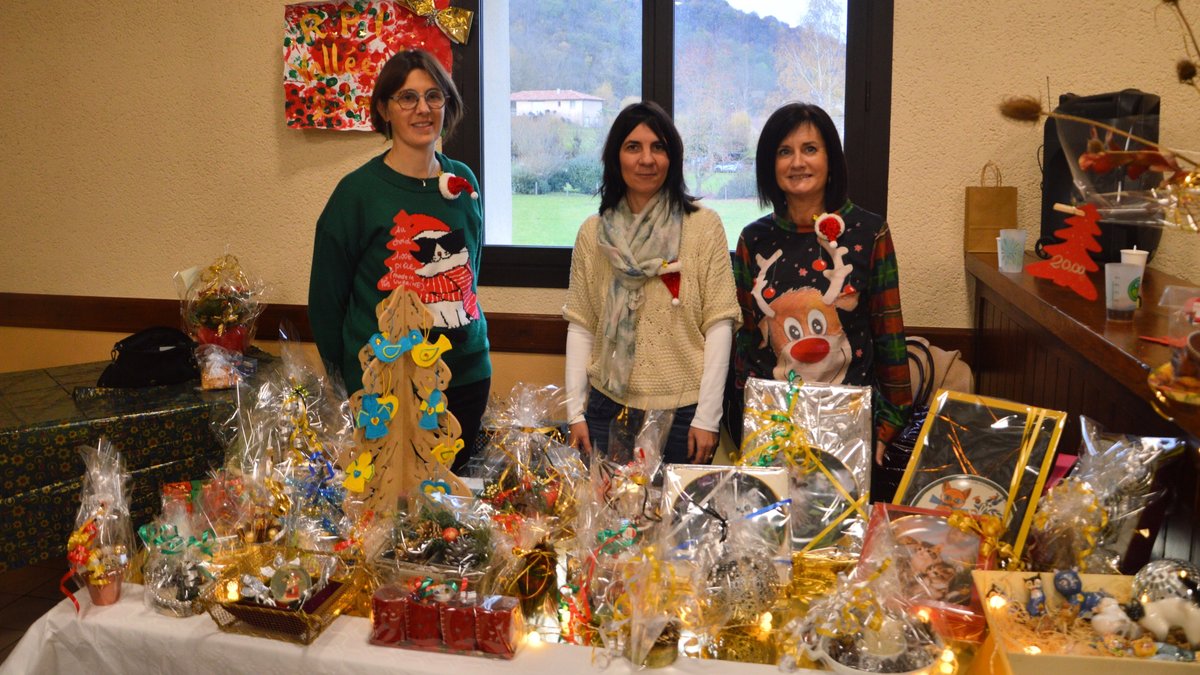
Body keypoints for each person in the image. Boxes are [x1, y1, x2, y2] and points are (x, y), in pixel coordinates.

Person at [308, 49, 490, 474]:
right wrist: (356, 379)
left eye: (434, 96)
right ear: (384, 110)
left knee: (449, 515)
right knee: (388, 509)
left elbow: (471, 271)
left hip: (463, 379)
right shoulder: (356, 194)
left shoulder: (464, 181)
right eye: (407, 98)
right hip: (386, 388)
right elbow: (325, 304)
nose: (422, 109)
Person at [724, 102, 910, 468]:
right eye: (784, 152)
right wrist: (744, 417)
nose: (797, 163)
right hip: (772, 420)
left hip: (848, 419)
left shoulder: (870, 232)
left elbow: (889, 333)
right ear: (769, 164)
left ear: (830, 160)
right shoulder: (754, 239)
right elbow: (747, 338)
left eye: (810, 149)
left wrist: (888, 424)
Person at [563, 101, 740, 465]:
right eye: (634, 147)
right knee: (607, 519)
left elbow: (720, 324)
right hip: (605, 406)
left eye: (658, 147)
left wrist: (708, 417)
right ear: (616, 158)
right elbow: (582, 326)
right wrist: (574, 412)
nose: (647, 159)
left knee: (677, 519)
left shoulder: (703, 227)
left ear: (672, 157)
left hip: (683, 414)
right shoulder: (594, 234)